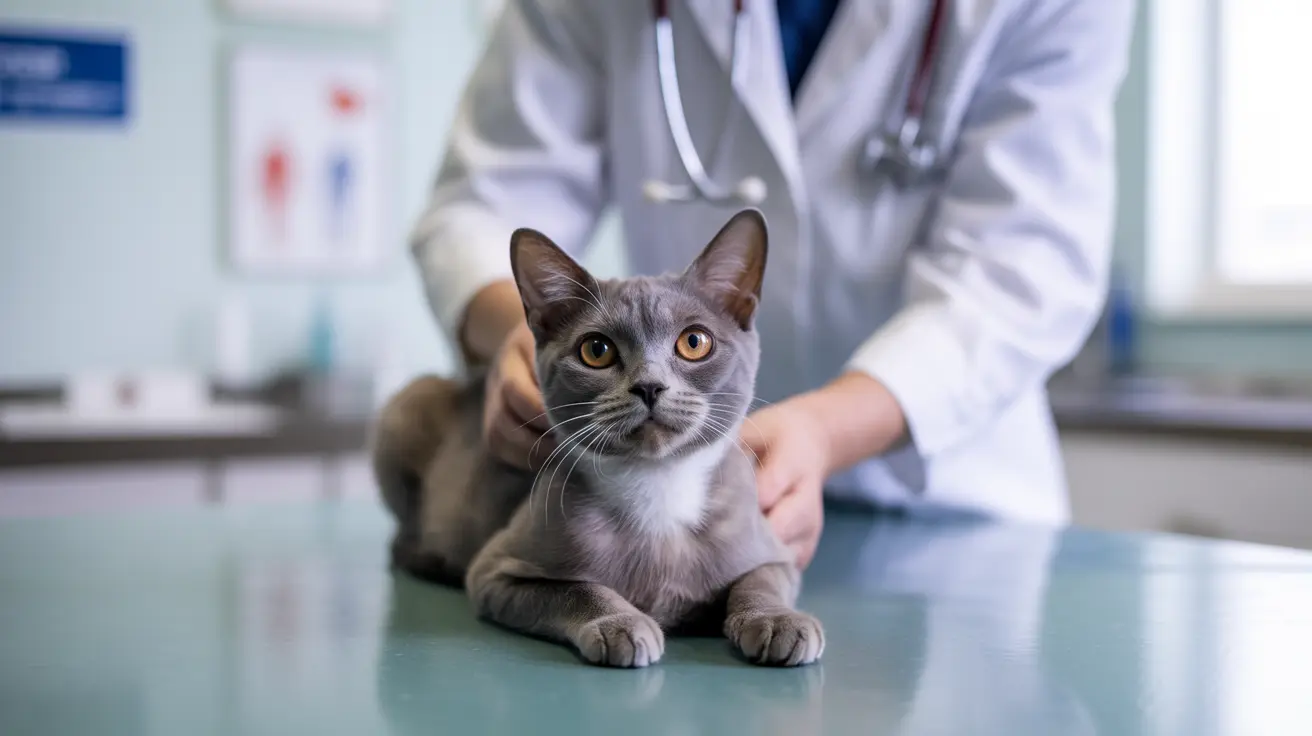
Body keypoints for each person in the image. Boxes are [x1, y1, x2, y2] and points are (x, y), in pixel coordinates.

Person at [408, 0, 1136, 568]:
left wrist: (825, 428)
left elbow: (1024, 266)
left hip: (951, 503)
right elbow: (485, 204)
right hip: (643, 496)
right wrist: (528, 332)